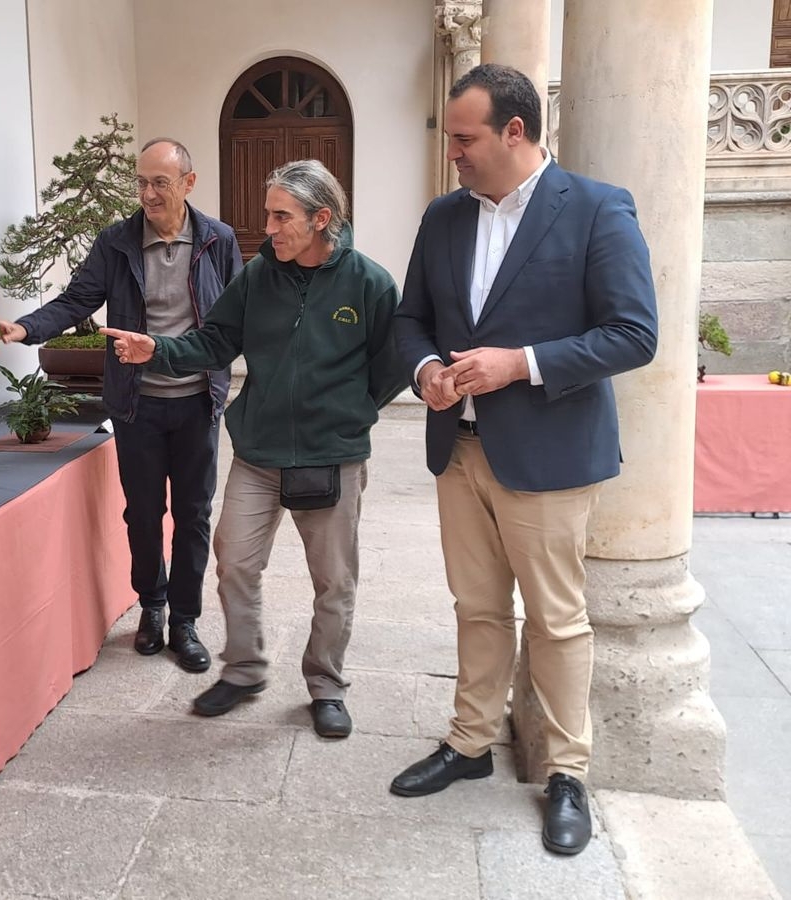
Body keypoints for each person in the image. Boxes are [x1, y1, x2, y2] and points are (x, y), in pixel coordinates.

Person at [389, 64, 659, 855]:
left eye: (465, 138)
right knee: (475, 606)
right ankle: (470, 743)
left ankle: (568, 773)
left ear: (515, 131)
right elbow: (410, 320)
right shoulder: (443, 216)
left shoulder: (598, 208)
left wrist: (522, 364)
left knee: (556, 619)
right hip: (459, 450)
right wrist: (425, 370)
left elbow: (634, 333)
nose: (453, 153)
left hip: (549, 455)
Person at [101, 159, 407, 739]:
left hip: (330, 455)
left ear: (321, 219)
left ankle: (326, 685)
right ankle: (244, 670)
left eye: (281, 216)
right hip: (260, 451)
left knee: (334, 581)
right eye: (268, 214)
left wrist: (350, 412)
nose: (268, 228)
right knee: (235, 559)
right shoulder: (259, 275)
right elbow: (216, 340)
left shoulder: (369, 282)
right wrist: (157, 350)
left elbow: (390, 364)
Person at [0, 138, 242, 673]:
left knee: (194, 514)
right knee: (143, 513)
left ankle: (185, 621)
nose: (148, 194)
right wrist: (25, 328)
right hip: (137, 405)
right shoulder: (118, 242)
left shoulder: (217, 240)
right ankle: (152, 607)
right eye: (142, 182)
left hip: (197, 401)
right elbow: (77, 299)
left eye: (160, 183)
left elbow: (238, 315)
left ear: (188, 183)